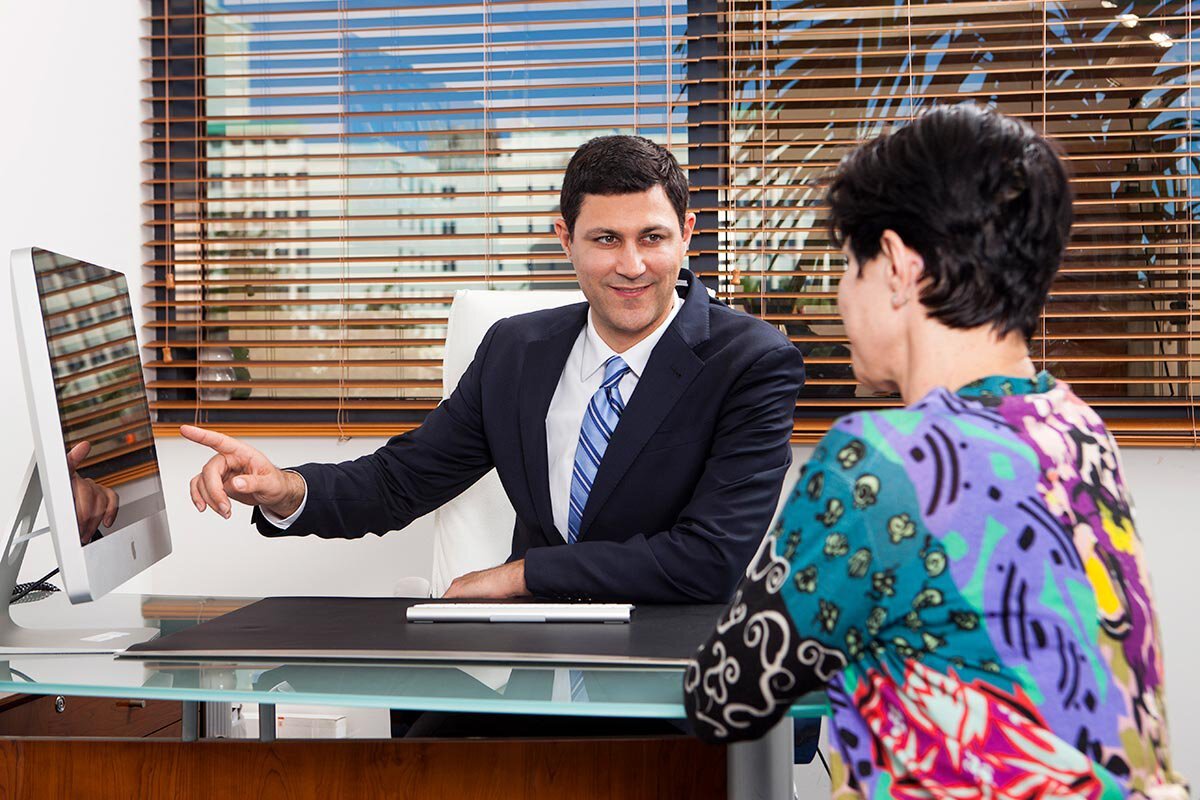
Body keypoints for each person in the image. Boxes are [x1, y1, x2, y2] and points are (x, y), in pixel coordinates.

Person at [684, 105, 1188, 799]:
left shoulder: (880, 463)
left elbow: (722, 695)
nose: (837, 299)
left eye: (846, 269)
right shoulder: (1078, 428)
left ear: (896, 266)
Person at [182, 135, 806, 604]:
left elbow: (708, 559)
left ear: (688, 234)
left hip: (675, 665)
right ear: (565, 240)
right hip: (535, 660)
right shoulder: (516, 350)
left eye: (652, 237)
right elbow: (402, 481)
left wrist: (523, 574)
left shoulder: (751, 361)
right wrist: (285, 488)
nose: (633, 265)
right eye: (605, 239)